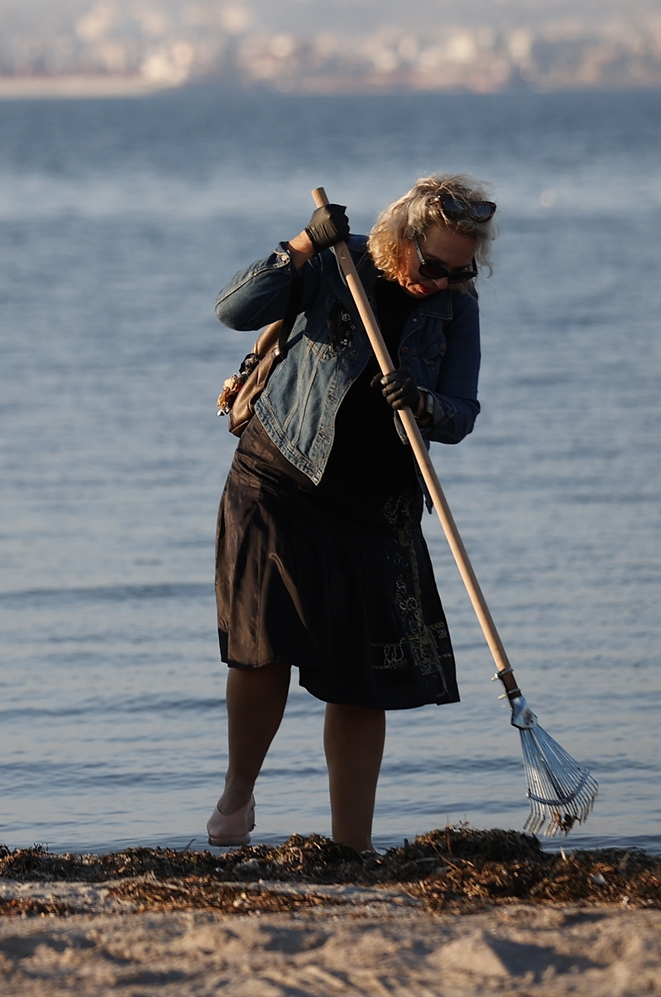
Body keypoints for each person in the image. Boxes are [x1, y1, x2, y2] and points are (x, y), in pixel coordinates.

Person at [208, 175, 496, 853]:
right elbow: (233, 307)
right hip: (281, 479)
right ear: (403, 240)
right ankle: (238, 790)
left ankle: (353, 848)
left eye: (462, 272)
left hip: (377, 506)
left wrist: (425, 406)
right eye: (433, 267)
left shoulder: (458, 305)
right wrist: (305, 244)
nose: (443, 282)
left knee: (366, 679)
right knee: (263, 648)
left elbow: (463, 411)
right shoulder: (341, 265)